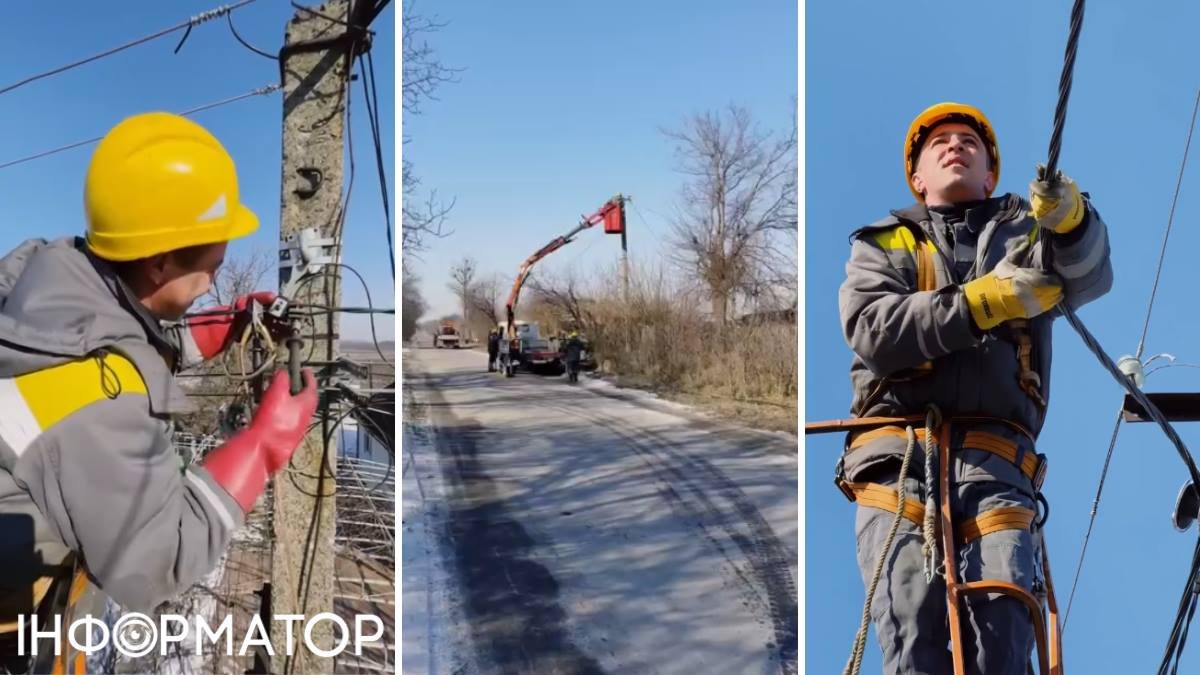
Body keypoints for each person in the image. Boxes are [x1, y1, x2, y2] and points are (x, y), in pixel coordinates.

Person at [0, 112, 318, 671]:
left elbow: (111, 344)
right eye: (210, 269)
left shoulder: (50, 286)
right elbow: (157, 560)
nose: (216, 282)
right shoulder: (87, 399)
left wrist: (202, 332)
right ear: (158, 262)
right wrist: (263, 445)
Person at [836, 102, 1112, 674]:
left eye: (969, 141)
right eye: (939, 142)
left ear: (990, 173)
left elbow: (1089, 273)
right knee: (912, 625)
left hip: (997, 460)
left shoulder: (1025, 235)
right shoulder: (884, 245)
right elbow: (871, 329)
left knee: (1004, 627)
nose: (954, 145)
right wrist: (980, 303)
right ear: (917, 178)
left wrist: (1073, 223)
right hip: (897, 455)